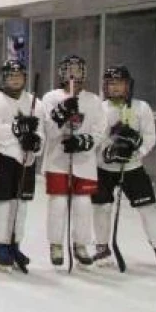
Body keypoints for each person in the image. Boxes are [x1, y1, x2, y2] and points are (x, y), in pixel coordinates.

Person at [91, 66, 156, 270]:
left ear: (128, 85)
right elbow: (96, 138)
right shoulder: (99, 109)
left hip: (132, 168)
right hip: (103, 169)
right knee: (101, 207)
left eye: (119, 83)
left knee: (148, 207)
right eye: (111, 83)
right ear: (105, 86)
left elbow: (150, 137)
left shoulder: (141, 108)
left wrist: (136, 150)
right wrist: (106, 153)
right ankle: (102, 248)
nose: (115, 87)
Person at [42, 55, 106, 268]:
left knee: (83, 204)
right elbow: (49, 131)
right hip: (57, 160)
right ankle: (56, 243)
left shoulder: (94, 100)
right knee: (58, 203)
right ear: (61, 73)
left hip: (84, 161)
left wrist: (84, 141)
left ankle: (81, 244)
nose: (73, 75)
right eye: (70, 71)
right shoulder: (51, 98)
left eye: (78, 71)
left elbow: (99, 130)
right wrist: (61, 114)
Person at [0, 60, 45, 272]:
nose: (15, 79)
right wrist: (17, 131)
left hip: (26, 158)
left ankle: (15, 244)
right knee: (3, 204)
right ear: (3, 78)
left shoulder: (36, 102)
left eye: (18, 75)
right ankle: (0, 245)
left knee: (21, 205)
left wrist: (35, 142)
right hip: (3, 157)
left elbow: (41, 130)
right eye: (11, 76)